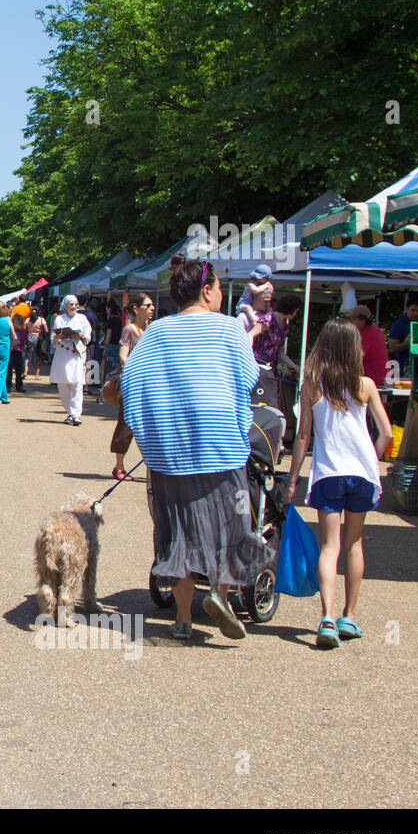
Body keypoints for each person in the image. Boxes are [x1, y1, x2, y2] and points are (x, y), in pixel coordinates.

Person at [121, 259, 262, 642]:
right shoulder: (230, 330)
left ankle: (183, 617)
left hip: (171, 450)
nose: (220, 295)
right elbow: (247, 379)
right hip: (219, 444)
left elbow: (131, 382)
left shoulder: (157, 331)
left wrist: (151, 430)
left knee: (179, 530)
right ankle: (218, 594)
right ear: (206, 290)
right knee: (227, 526)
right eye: (217, 288)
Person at [284, 319, 392, 649]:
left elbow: (302, 437)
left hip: (328, 473)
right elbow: (386, 433)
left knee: (329, 546)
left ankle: (327, 617)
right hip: (361, 474)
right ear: (352, 348)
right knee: (354, 544)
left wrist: (291, 479)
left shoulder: (312, 383)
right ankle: (350, 615)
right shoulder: (366, 385)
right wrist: (371, 460)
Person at [110, 292, 153, 480]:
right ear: (136, 308)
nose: (152, 309)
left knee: (153, 426)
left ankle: (153, 468)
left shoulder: (151, 329)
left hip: (150, 385)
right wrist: (135, 369)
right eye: (148, 306)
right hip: (133, 384)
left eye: (152, 306)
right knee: (126, 424)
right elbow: (123, 354)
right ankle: (119, 466)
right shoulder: (130, 329)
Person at [50, 295, 91, 425]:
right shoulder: (59, 319)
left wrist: (81, 336)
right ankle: (69, 412)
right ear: (65, 306)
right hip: (63, 354)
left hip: (76, 354)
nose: (73, 306)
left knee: (77, 383)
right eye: (71, 304)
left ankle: (76, 414)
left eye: (75, 304)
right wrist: (60, 335)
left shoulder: (82, 319)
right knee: (63, 384)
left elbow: (88, 337)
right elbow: (53, 339)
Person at [348, 305, 390, 387]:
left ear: (362, 320)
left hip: (375, 380)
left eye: (352, 319)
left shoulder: (367, 334)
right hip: (379, 378)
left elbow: (355, 358)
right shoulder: (374, 329)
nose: (349, 322)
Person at [386, 293, 418, 377]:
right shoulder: (398, 325)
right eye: (413, 310)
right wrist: (406, 344)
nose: (415, 313)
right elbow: (392, 348)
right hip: (403, 368)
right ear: (407, 309)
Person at [26, 306, 50, 379]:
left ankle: (25, 372)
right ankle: (37, 375)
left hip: (29, 338)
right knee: (38, 356)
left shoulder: (28, 319)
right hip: (38, 339)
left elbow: (24, 328)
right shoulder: (41, 319)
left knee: (28, 356)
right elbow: (46, 330)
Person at [9, 312, 28, 393]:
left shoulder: (23, 331)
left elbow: (23, 340)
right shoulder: (10, 331)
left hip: (19, 351)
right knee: (9, 369)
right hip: (11, 351)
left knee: (19, 370)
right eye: (16, 322)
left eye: (19, 323)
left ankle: (19, 386)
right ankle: (8, 385)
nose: (17, 324)